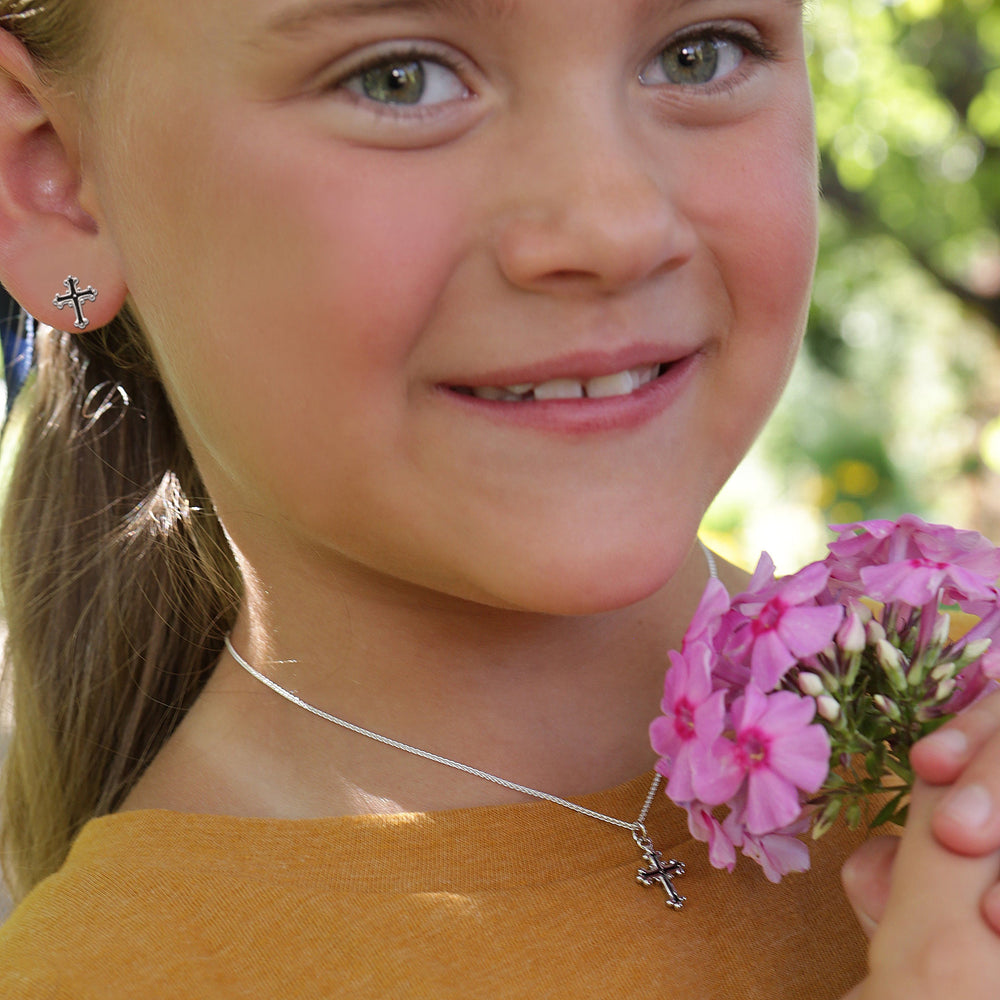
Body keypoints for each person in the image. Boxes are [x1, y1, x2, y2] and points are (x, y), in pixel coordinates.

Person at [0, 0, 998, 995]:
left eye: (699, 54)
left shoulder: (960, 715)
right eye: (398, 77)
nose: (615, 226)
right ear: (55, 185)